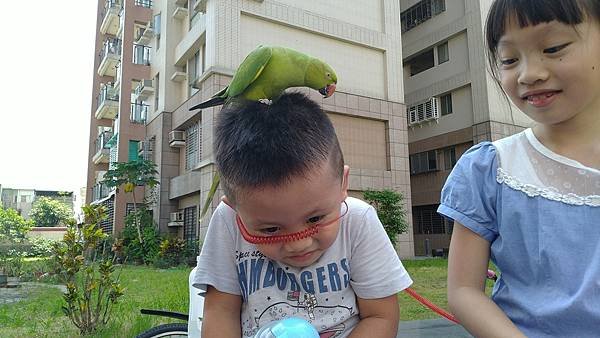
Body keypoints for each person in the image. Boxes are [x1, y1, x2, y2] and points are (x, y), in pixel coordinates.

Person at [439, 0, 600, 337]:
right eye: (510, 59)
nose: (529, 74)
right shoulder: (489, 170)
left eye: (553, 48)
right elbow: (464, 291)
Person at [193, 92, 413, 338]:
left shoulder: (358, 221)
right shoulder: (227, 223)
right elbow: (221, 312)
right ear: (235, 209)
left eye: (315, 219)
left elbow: (380, 316)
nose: (299, 243)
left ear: (342, 184)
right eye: (271, 229)